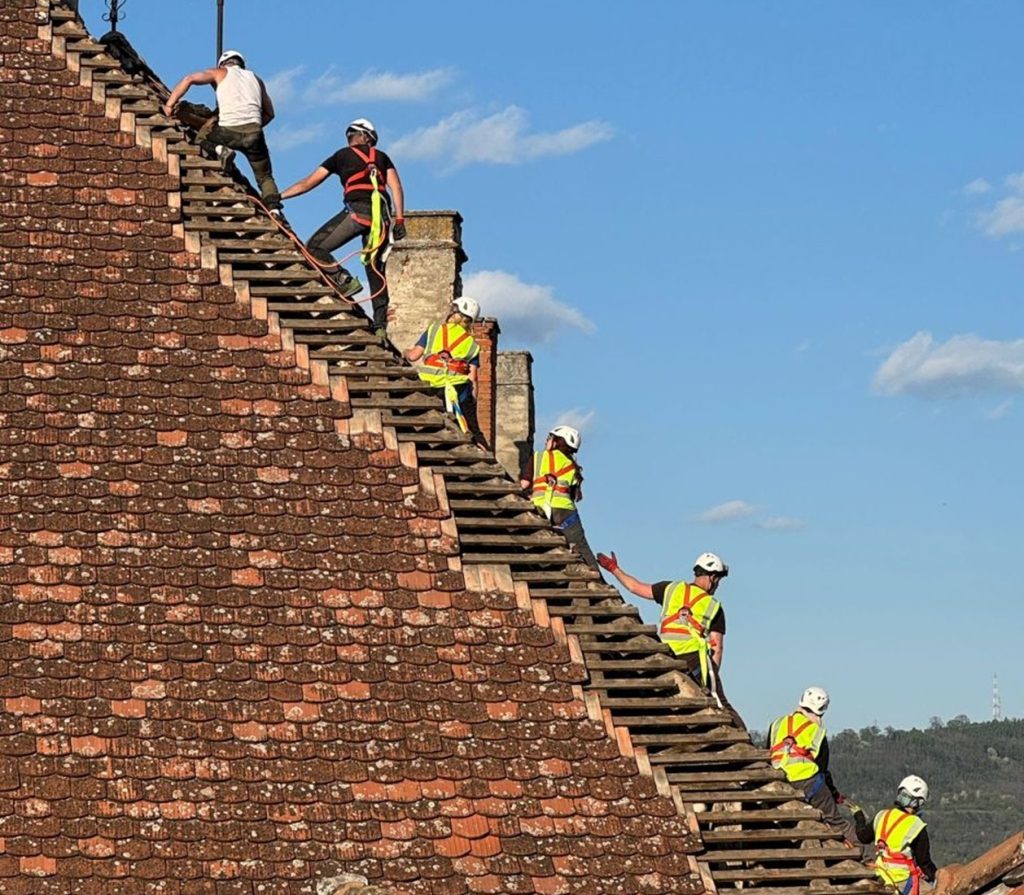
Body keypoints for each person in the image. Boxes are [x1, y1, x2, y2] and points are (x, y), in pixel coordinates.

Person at [279, 119, 405, 336]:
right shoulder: (382, 157)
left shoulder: (341, 156)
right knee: (375, 270)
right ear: (369, 138)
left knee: (315, 247)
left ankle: (343, 280)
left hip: (358, 213)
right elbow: (396, 187)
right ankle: (380, 326)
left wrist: (279, 197)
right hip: (382, 220)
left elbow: (308, 183)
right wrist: (400, 219)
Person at [596, 550, 739, 720]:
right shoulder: (713, 605)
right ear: (712, 577)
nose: (717, 585)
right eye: (718, 580)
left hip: (666, 655)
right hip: (694, 659)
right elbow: (717, 647)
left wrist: (614, 569)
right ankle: (743, 736)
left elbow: (634, 587)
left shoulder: (671, 589)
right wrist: (711, 675)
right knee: (720, 705)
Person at [162, 50, 282, 214]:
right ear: (241, 64)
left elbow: (189, 79)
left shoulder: (218, 73)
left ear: (222, 65)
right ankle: (274, 209)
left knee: (201, 138)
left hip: (227, 131)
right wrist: (253, 129)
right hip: (255, 133)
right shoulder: (256, 79)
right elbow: (270, 114)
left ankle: (220, 149)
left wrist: (169, 105)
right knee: (265, 176)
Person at [767, 687, 861, 848]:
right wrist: (833, 793)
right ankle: (862, 854)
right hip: (808, 782)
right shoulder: (817, 731)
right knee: (836, 822)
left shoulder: (777, 724)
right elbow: (822, 769)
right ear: (822, 710)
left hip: (777, 781)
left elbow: (768, 752)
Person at [520, 426, 599, 571]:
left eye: (549, 438)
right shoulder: (572, 466)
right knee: (582, 548)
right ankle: (598, 579)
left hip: (539, 510)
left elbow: (523, 485)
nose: (546, 441)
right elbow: (572, 496)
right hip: (566, 514)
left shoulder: (538, 457)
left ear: (556, 441)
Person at [405, 297, 482, 436]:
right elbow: (473, 379)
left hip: (428, 387)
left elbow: (413, 356)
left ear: (454, 312)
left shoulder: (434, 330)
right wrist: (472, 404)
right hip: (457, 391)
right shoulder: (472, 344)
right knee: (473, 432)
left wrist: (405, 352)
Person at [853, 775, 938, 895]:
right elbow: (924, 862)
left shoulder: (882, 815)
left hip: (880, 873)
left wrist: (859, 817)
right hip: (902, 879)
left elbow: (863, 837)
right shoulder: (916, 825)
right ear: (917, 802)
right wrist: (937, 877)